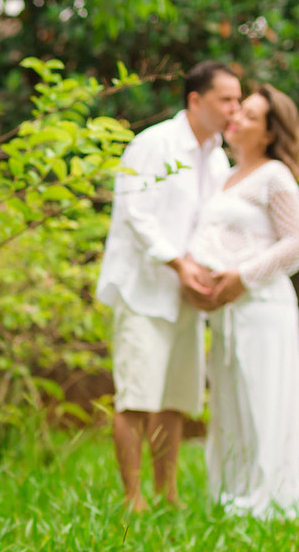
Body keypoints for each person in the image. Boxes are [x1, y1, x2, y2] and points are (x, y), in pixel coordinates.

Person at [95, 61, 242, 511]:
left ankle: (168, 494)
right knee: (137, 396)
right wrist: (179, 263)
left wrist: (202, 269)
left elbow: (213, 224)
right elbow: (134, 212)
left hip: (187, 295)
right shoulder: (153, 143)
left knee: (175, 398)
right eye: (226, 100)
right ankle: (133, 498)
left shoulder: (218, 156)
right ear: (196, 101)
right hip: (144, 290)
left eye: (239, 100)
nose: (235, 109)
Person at [185, 84, 299, 518]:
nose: (236, 118)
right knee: (229, 400)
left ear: (270, 133)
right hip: (227, 311)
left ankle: (270, 500)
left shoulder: (274, 175)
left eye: (251, 116)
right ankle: (232, 494)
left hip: (264, 307)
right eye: (238, 110)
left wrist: (243, 276)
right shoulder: (223, 175)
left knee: (263, 398)